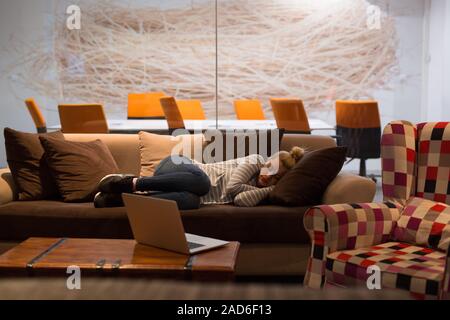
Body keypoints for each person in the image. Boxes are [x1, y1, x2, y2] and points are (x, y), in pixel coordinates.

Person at [94, 146, 304, 210]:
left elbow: (240, 201)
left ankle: (122, 200)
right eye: (269, 168)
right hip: (177, 165)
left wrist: (269, 191)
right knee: (203, 183)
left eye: (276, 178)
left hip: (194, 193)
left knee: (192, 201)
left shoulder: (262, 192)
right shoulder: (255, 160)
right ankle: (129, 182)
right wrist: (265, 190)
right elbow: (233, 189)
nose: (268, 176)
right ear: (266, 162)